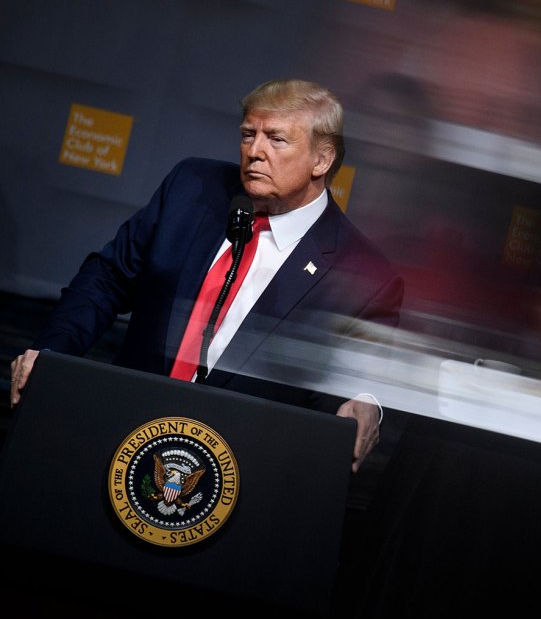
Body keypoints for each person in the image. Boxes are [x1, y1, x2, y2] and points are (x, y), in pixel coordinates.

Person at [8, 79, 404, 473]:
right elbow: (107, 277)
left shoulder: (365, 276)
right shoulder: (192, 187)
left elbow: (356, 379)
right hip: (119, 430)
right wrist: (52, 354)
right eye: (249, 134)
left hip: (238, 469)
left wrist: (363, 400)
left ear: (322, 159)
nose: (254, 152)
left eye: (277, 140)